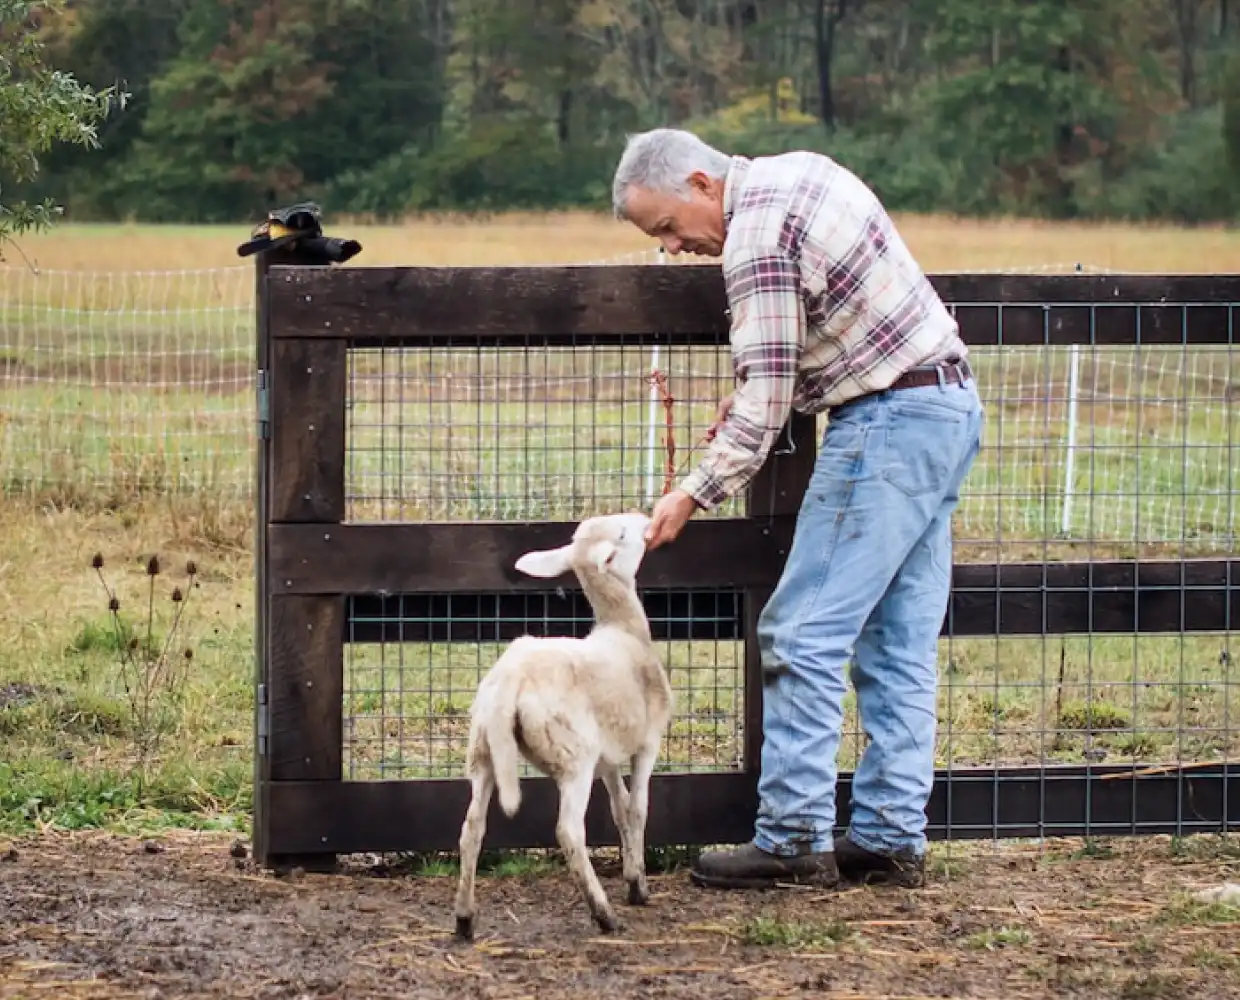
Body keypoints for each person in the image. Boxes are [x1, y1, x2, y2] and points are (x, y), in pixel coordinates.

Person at [610, 128, 984, 891]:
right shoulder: (801, 175)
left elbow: (768, 393)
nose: (675, 248)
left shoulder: (754, 237)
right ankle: (887, 835)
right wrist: (765, 392)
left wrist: (691, 490)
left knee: (801, 632)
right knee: (897, 642)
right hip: (946, 405)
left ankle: (792, 838)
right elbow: (810, 350)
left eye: (668, 228)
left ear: (699, 184)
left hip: (887, 425)